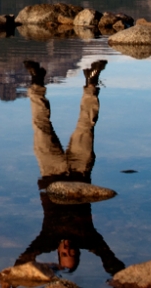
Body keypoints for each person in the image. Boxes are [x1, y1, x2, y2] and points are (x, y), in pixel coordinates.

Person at [14, 60, 125, 276]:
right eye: (72, 253)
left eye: (65, 253)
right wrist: (123, 278)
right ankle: (91, 81)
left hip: (50, 170)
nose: (68, 249)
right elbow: (108, 258)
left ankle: (37, 81)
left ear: (58, 253)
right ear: (79, 252)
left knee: (40, 125)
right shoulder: (87, 238)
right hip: (80, 171)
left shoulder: (48, 239)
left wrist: (11, 282)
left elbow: (25, 258)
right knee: (86, 125)